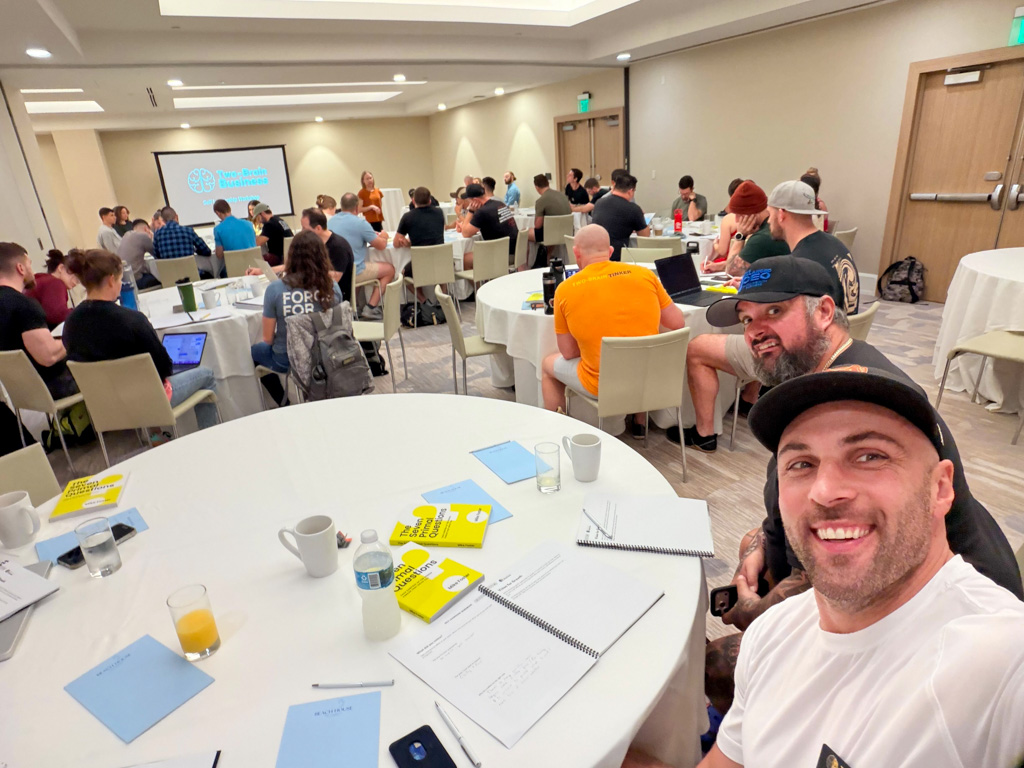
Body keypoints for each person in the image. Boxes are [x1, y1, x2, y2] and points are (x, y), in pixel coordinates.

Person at [693, 256, 1023, 722]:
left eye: (774, 312)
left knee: (715, 665)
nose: (755, 332)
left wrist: (755, 612)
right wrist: (761, 545)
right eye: (747, 320)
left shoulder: (857, 402)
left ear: (825, 312)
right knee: (752, 542)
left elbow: (843, 563)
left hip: (929, 619)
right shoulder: (817, 381)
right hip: (883, 577)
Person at [681, 367, 1024, 768]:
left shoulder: (1000, 662)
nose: (825, 491)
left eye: (870, 456)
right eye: (801, 464)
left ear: (940, 488)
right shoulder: (771, 634)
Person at [541, 225, 685, 436]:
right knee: (641, 350)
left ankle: (557, 434)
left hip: (601, 386)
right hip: (650, 378)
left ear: (576, 253)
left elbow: (569, 353)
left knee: (547, 365)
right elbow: (677, 322)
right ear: (610, 251)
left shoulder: (565, 289)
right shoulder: (645, 275)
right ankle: (639, 422)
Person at [62, 248, 219, 430]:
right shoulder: (132, 320)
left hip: (104, 406)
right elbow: (164, 368)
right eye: (120, 280)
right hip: (149, 401)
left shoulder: (70, 324)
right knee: (207, 374)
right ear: (111, 280)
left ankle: (156, 437)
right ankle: (209, 435)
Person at [250, 231, 343, 405]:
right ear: (322, 256)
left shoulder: (275, 289)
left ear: (291, 257)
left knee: (255, 351)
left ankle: (283, 404)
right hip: (326, 355)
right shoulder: (332, 286)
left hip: (286, 359)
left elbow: (267, 339)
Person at [766, 180, 859, 315]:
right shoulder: (836, 244)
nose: (768, 221)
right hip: (841, 325)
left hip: (820, 328)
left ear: (781, 214)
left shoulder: (801, 265)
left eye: (769, 214)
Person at [0, 242, 77, 398]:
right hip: (51, 388)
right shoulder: (23, 305)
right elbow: (49, 356)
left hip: (16, 393)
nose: (33, 271)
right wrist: (75, 335)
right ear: (20, 268)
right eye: (29, 264)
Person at [328, 193, 392, 319]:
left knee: (359, 263)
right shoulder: (360, 223)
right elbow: (381, 246)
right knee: (389, 269)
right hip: (353, 271)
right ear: (357, 208)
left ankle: (354, 305)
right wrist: (384, 236)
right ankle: (371, 307)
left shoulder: (331, 222)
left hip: (335, 270)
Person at [722, 181, 790, 278]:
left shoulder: (761, 238)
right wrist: (720, 265)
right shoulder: (774, 228)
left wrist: (740, 236)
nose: (736, 220)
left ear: (751, 213)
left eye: (738, 215)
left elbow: (731, 272)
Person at [395, 187, 446, 303]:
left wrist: (409, 243)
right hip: (441, 261)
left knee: (403, 274)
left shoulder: (408, 217)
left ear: (413, 201)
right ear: (430, 200)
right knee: (443, 270)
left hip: (420, 263)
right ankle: (443, 300)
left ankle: (424, 301)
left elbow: (396, 242)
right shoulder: (439, 213)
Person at [590, 173, 649, 261]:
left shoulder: (599, 203)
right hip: (618, 258)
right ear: (630, 191)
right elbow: (645, 236)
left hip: (595, 255)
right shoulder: (633, 209)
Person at [303, 207, 353, 303]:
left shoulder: (338, 247)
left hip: (333, 296)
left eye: (304, 228)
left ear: (318, 228)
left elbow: (332, 280)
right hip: (316, 290)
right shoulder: (314, 243)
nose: (302, 232)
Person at [460, 183, 518, 264]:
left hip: (503, 255)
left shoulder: (482, 212)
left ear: (475, 200)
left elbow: (465, 233)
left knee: (465, 259)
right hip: (515, 250)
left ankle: (485, 272)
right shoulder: (499, 203)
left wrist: (471, 211)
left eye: (469, 201)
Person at [25, 249, 78, 328]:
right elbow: (57, 314)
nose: (76, 282)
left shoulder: (42, 280)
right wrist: (80, 312)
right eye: (75, 276)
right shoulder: (55, 283)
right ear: (61, 268)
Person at [527, 174, 571, 264]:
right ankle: (548, 257)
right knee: (551, 232)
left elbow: (537, 225)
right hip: (567, 232)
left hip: (551, 234)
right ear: (548, 183)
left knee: (524, 233)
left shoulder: (541, 200)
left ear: (536, 187)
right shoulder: (562, 195)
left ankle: (526, 264)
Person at [706, 178, 745, 268]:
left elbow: (722, 251)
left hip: (730, 263)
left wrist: (715, 244)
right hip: (748, 262)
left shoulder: (728, 220)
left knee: (706, 263)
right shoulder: (755, 218)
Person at [117, 219, 160, 290]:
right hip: (137, 279)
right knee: (160, 281)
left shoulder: (126, 235)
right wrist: (151, 238)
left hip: (124, 279)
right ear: (146, 229)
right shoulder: (143, 236)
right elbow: (156, 254)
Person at [252, 203, 293, 269]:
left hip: (279, 257)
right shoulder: (279, 220)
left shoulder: (269, 224)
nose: (258, 221)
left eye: (257, 217)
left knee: (256, 261)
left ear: (262, 214)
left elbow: (257, 243)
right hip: (289, 255)